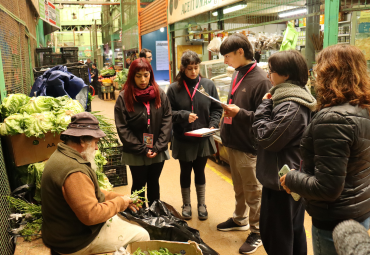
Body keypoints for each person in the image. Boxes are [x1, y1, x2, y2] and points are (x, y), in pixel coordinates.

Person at [280, 44, 370, 255]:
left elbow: (327, 188)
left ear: (328, 73)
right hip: (360, 213)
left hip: (334, 224)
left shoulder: (333, 119)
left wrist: (292, 178)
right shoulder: (363, 109)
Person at [41, 112, 150, 255]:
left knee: (117, 218)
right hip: (73, 241)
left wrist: (120, 198)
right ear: (82, 141)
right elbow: (91, 216)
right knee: (142, 235)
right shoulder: (74, 171)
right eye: (95, 142)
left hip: (62, 232)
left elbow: (87, 193)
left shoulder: (62, 155)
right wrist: (119, 203)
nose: (97, 147)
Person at [252, 50, 316, 255]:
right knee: (292, 231)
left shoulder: (290, 105)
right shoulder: (292, 98)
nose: (268, 75)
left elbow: (266, 137)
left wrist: (264, 104)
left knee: (278, 236)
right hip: (287, 179)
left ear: (286, 75)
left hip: (282, 183)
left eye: (271, 71)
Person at [217, 33, 272, 254]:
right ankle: (240, 219)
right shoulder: (237, 74)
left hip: (249, 145)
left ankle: (258, 231)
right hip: (232, 140)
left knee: (253, 191)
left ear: (241, 52)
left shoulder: (261, 80)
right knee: (238, 187)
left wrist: (240, 113)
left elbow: (264, 118)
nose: (225, 61)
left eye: (228, 56)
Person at [166, 50, 222, 220]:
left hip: (202, 138)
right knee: (185, 171)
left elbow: (217, 108)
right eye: (189, 68)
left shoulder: (208, 85)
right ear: (182, 69)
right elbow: (167, 114)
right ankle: (186, 204)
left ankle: (202, 204)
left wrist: (213, 124)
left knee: (200, 171)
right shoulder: (174, 89)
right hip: (183, 138)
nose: (193, 72)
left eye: (196, 68)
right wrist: (183, 115)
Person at [114, 58, 172, 208]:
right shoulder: (124, 97)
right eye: (138, 76)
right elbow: (123, 128)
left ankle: (154, 215)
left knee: (154, 182)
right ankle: (139, 216)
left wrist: (158, 146)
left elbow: (167, 119)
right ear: (132, 76)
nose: (143, 80)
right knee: (139, 184)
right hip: (135, 151)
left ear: (150, 75)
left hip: (157, 150)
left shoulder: (160, 94)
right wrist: (142, 148)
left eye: (146, 75)